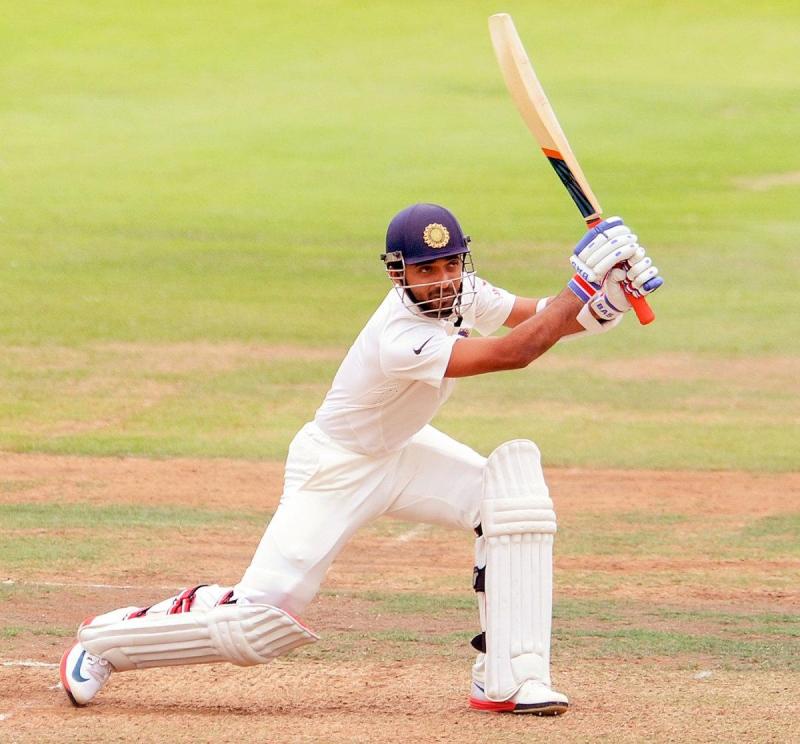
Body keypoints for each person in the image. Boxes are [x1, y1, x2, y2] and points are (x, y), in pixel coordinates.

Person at [60, 203, 662, 714]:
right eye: (427, 269)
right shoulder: (399, 336)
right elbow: (513, 353)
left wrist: (605, 299)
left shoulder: (461, 292)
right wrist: (582, 284)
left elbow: (540, 317)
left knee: (509, 500)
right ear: (399, 273)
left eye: (452, 264)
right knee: (259, 621)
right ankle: (105, 641)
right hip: (337, 467)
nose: (443, 280)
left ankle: (508, 677)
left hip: (403, 451)